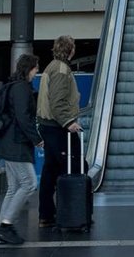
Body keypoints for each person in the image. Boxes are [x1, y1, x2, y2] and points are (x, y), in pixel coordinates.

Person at [0, 54, 43, 246]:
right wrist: (37, 139)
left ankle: (1, 228)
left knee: (13, 188)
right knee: (29, 183)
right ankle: (5, 225)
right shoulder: (22, 89)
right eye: (36, 67)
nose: (37, 71)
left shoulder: (13, 87)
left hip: (9, 142)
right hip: (17, 143)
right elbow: (23, 118)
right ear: (29, 68)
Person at [37, 35, 83, 229]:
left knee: (50, 170)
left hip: (49, 126)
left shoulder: (52, 66)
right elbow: (57, 102)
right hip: (58, 128)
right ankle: (71, 212)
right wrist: (69, 122)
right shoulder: (61, 70)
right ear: (70, 50)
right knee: (74, 167)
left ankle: (47, 215)